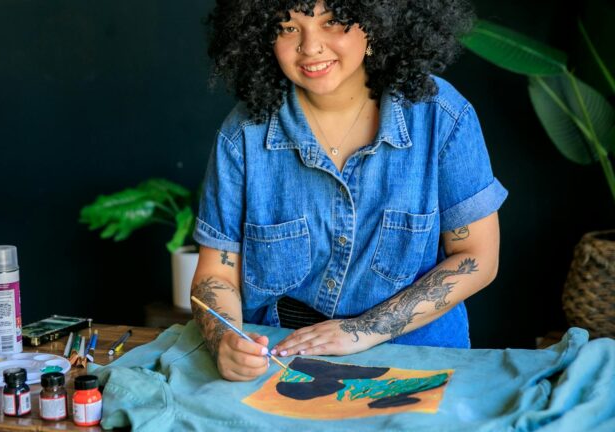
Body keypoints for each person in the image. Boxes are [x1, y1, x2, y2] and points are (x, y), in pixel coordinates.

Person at [190, 0, 508, 382]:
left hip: (419, 361)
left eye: (333, 23)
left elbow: (478, 259)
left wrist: (361, 331)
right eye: (288, 28)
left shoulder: (442, 115)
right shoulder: (243, 134)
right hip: (279, 362)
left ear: (378, 24)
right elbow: (216, 275)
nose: (310, 47)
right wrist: (226, 340)